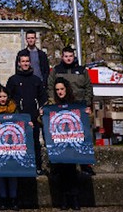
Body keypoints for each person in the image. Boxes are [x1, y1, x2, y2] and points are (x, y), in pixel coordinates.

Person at [47, 46, 95, 175]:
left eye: (70, 56)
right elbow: (51, 87)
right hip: (61, 107)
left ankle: (86, 164)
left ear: (74, 57)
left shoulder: (82, 70)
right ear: (62, 57)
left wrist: (87, 103)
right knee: (63, 136)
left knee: (83, 136)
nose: (68, 58)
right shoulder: (56, 70)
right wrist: (52, 103)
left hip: (79, 106)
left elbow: (88, 87)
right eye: (66, 56)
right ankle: (60, 164)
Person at [42, 78, 84, 211]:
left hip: (72, 143)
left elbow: (84, 119)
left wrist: (87, 113)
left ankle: (75, 199)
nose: (60, 92)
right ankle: (64, 200)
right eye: (57, 90)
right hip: (58, 143)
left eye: (62, 89)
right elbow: (42, 120)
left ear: (66, 89)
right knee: (61, 172)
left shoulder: (75, 103)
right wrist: (41, 114)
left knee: (72, 171)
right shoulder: (50, 103)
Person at [6, 54, 48, 175]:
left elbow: (42, 96)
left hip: (33, 117)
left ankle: (37, 166)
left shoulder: (36, 79)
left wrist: (41, 107)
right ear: (19, 63)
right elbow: (8, 97)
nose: (25, 63)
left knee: (35, 143)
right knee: (19, 144)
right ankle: (20, 166)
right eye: (23, 61)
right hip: (18, 118)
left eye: (27, 61)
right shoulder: (13, 80)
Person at [0, 85, 24, 211]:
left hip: (13, 144)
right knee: (0, 173)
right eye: (0, 97)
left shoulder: (14, 108)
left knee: (12, 172)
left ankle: (13, 199)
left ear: (8, 97)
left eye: (4, 96)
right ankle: (2, 199)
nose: (2, 99)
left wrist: (27, 124)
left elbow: (20, 123)